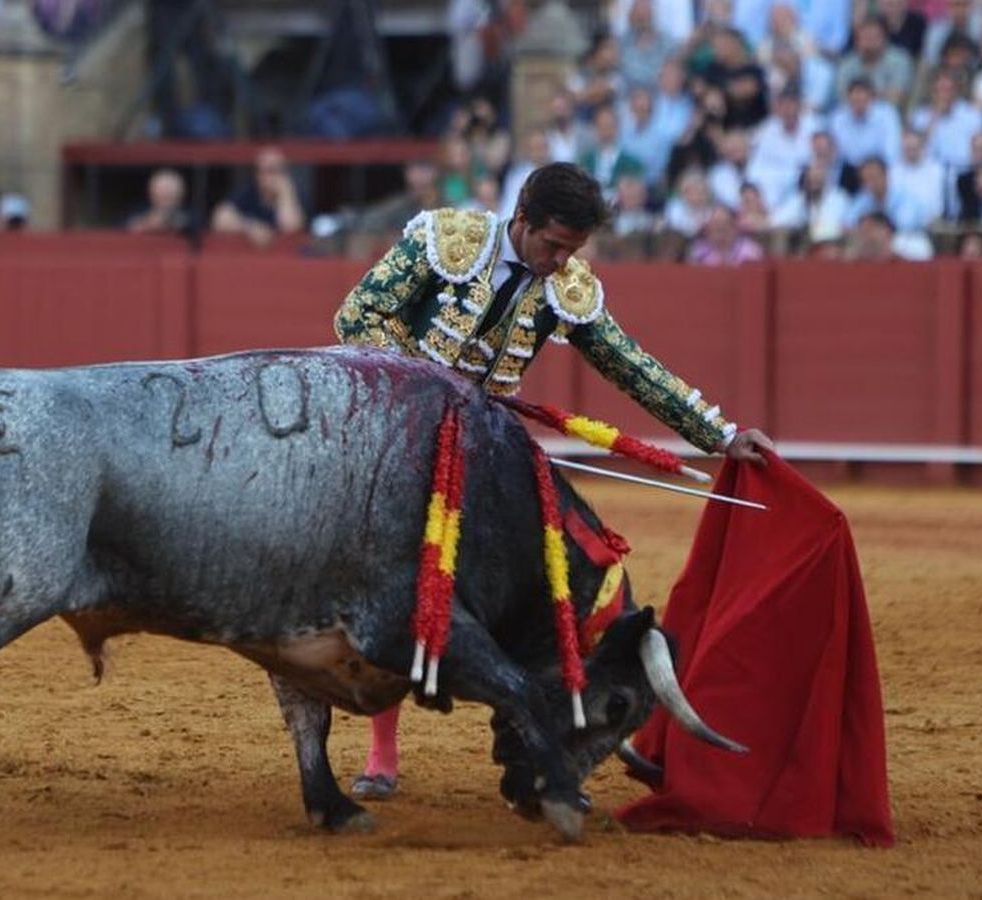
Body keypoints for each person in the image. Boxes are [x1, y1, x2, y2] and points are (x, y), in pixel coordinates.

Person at [332, 162, 774, 800]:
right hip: (399, 439)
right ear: (522, 220)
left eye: (572, 250)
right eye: (551, 246)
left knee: (539, 573)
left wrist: (721, 434)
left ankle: (540, 736)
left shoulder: (568, 285)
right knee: (402, 582)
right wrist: (433, 384)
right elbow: (357, 318)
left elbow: (630, 365)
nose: (559, 261)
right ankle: (382, 751)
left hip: (483, 447)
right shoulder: (444, 240)